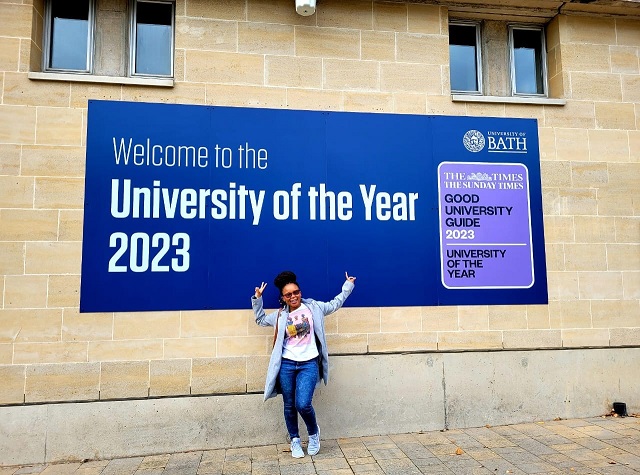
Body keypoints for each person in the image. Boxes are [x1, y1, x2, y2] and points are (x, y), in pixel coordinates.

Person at [252, 271, 356, 458]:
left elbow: (334, 304)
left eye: (296, 292)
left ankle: (314, 434)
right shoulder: (279, 316)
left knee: (303, 403)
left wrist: (347, 286)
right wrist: (257, 298)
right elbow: (259, 320)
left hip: (309, 363)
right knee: (289, 405)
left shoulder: (313, 307)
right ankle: (295, 440)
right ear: (282, 298)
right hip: (287, 364)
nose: (293, 296)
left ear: (300, 292)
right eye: (288, 294)